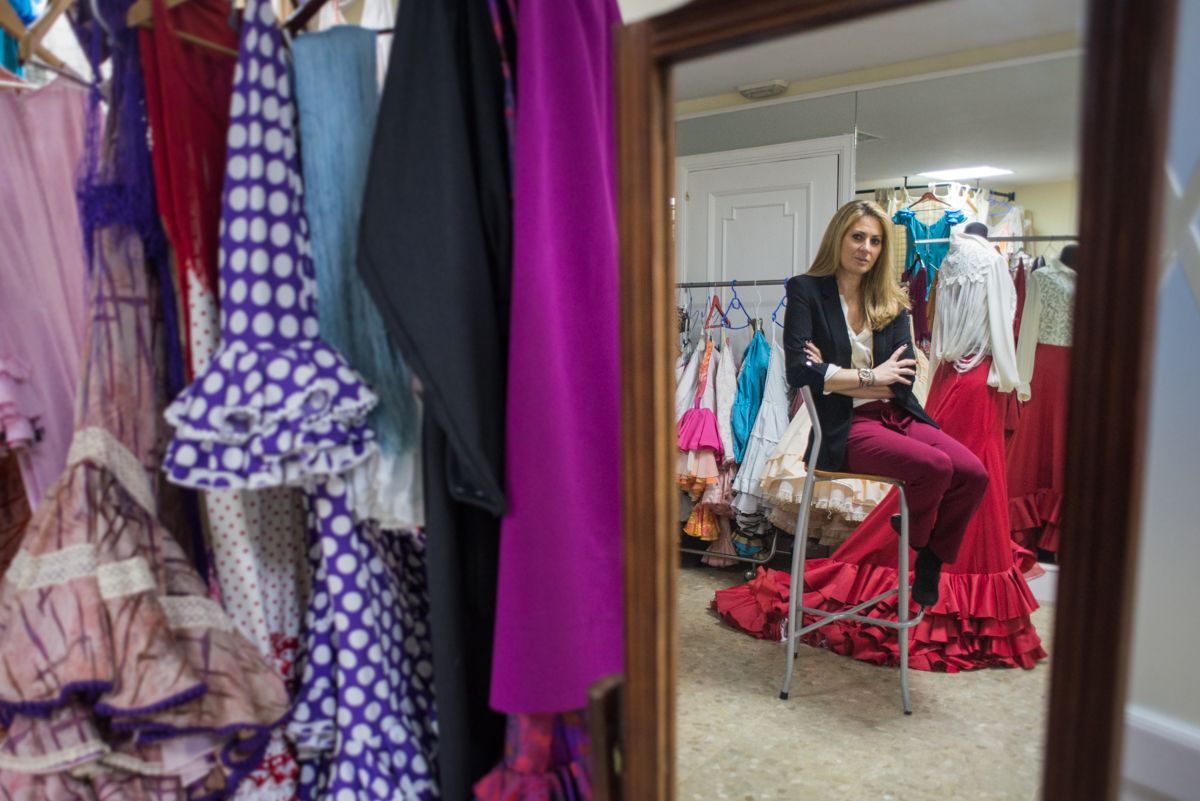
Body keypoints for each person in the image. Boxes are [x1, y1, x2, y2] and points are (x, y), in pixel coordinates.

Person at [784, 200, 988, 607]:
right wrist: (872, 377)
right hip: (846, 427)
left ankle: (929, 555)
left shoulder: (890, 300)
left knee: (973, 474)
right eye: (857, 237)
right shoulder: (806, 290)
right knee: (935, 467)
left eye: (876, 241)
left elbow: (904, 380)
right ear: (839, 237)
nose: (866, 248)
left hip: (897, 414)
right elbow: (800, 372)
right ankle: (917, 533)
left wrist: (836, 376)